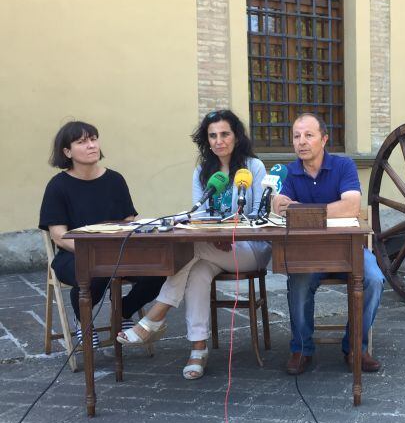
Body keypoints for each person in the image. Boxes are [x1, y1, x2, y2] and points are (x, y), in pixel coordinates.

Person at [117, 110, 271, 380]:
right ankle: (197, 350)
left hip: (250, 247)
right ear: (206, 140)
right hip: (212, 248)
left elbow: (258, 214)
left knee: (192, 250)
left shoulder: (252, 167)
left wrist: (226, 230)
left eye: (225, 134)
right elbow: (199, 215)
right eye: (212, 136)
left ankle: (155, 317)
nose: (219, 140)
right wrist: (210, 232)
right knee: (198, 271)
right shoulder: (203, 171)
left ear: (236, 136)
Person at [272, 113, 384, 375]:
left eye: (308, 135)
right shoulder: (287, 171)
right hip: (309, 253)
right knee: (297, 281)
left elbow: (352, 206)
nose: (301, 142)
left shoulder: (344, 166)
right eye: (296, 136)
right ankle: (301, 349)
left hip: (349, 248)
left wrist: (305, 210)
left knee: (374, 279)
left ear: (324, 139)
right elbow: (280, 208)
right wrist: (330, 210)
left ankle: (355, 347)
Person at [38, 121, 164, 347]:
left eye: (93, 139)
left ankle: (124, 311)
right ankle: (83, 321)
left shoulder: (115, 180)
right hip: (74, 254)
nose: (91, 145)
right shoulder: (58, 186)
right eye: (82, 141)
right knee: (95, 272)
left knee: (160, 270)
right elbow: (59, 236)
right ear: (67, 152)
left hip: (118, 250)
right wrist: (95, 252)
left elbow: (128, 221)